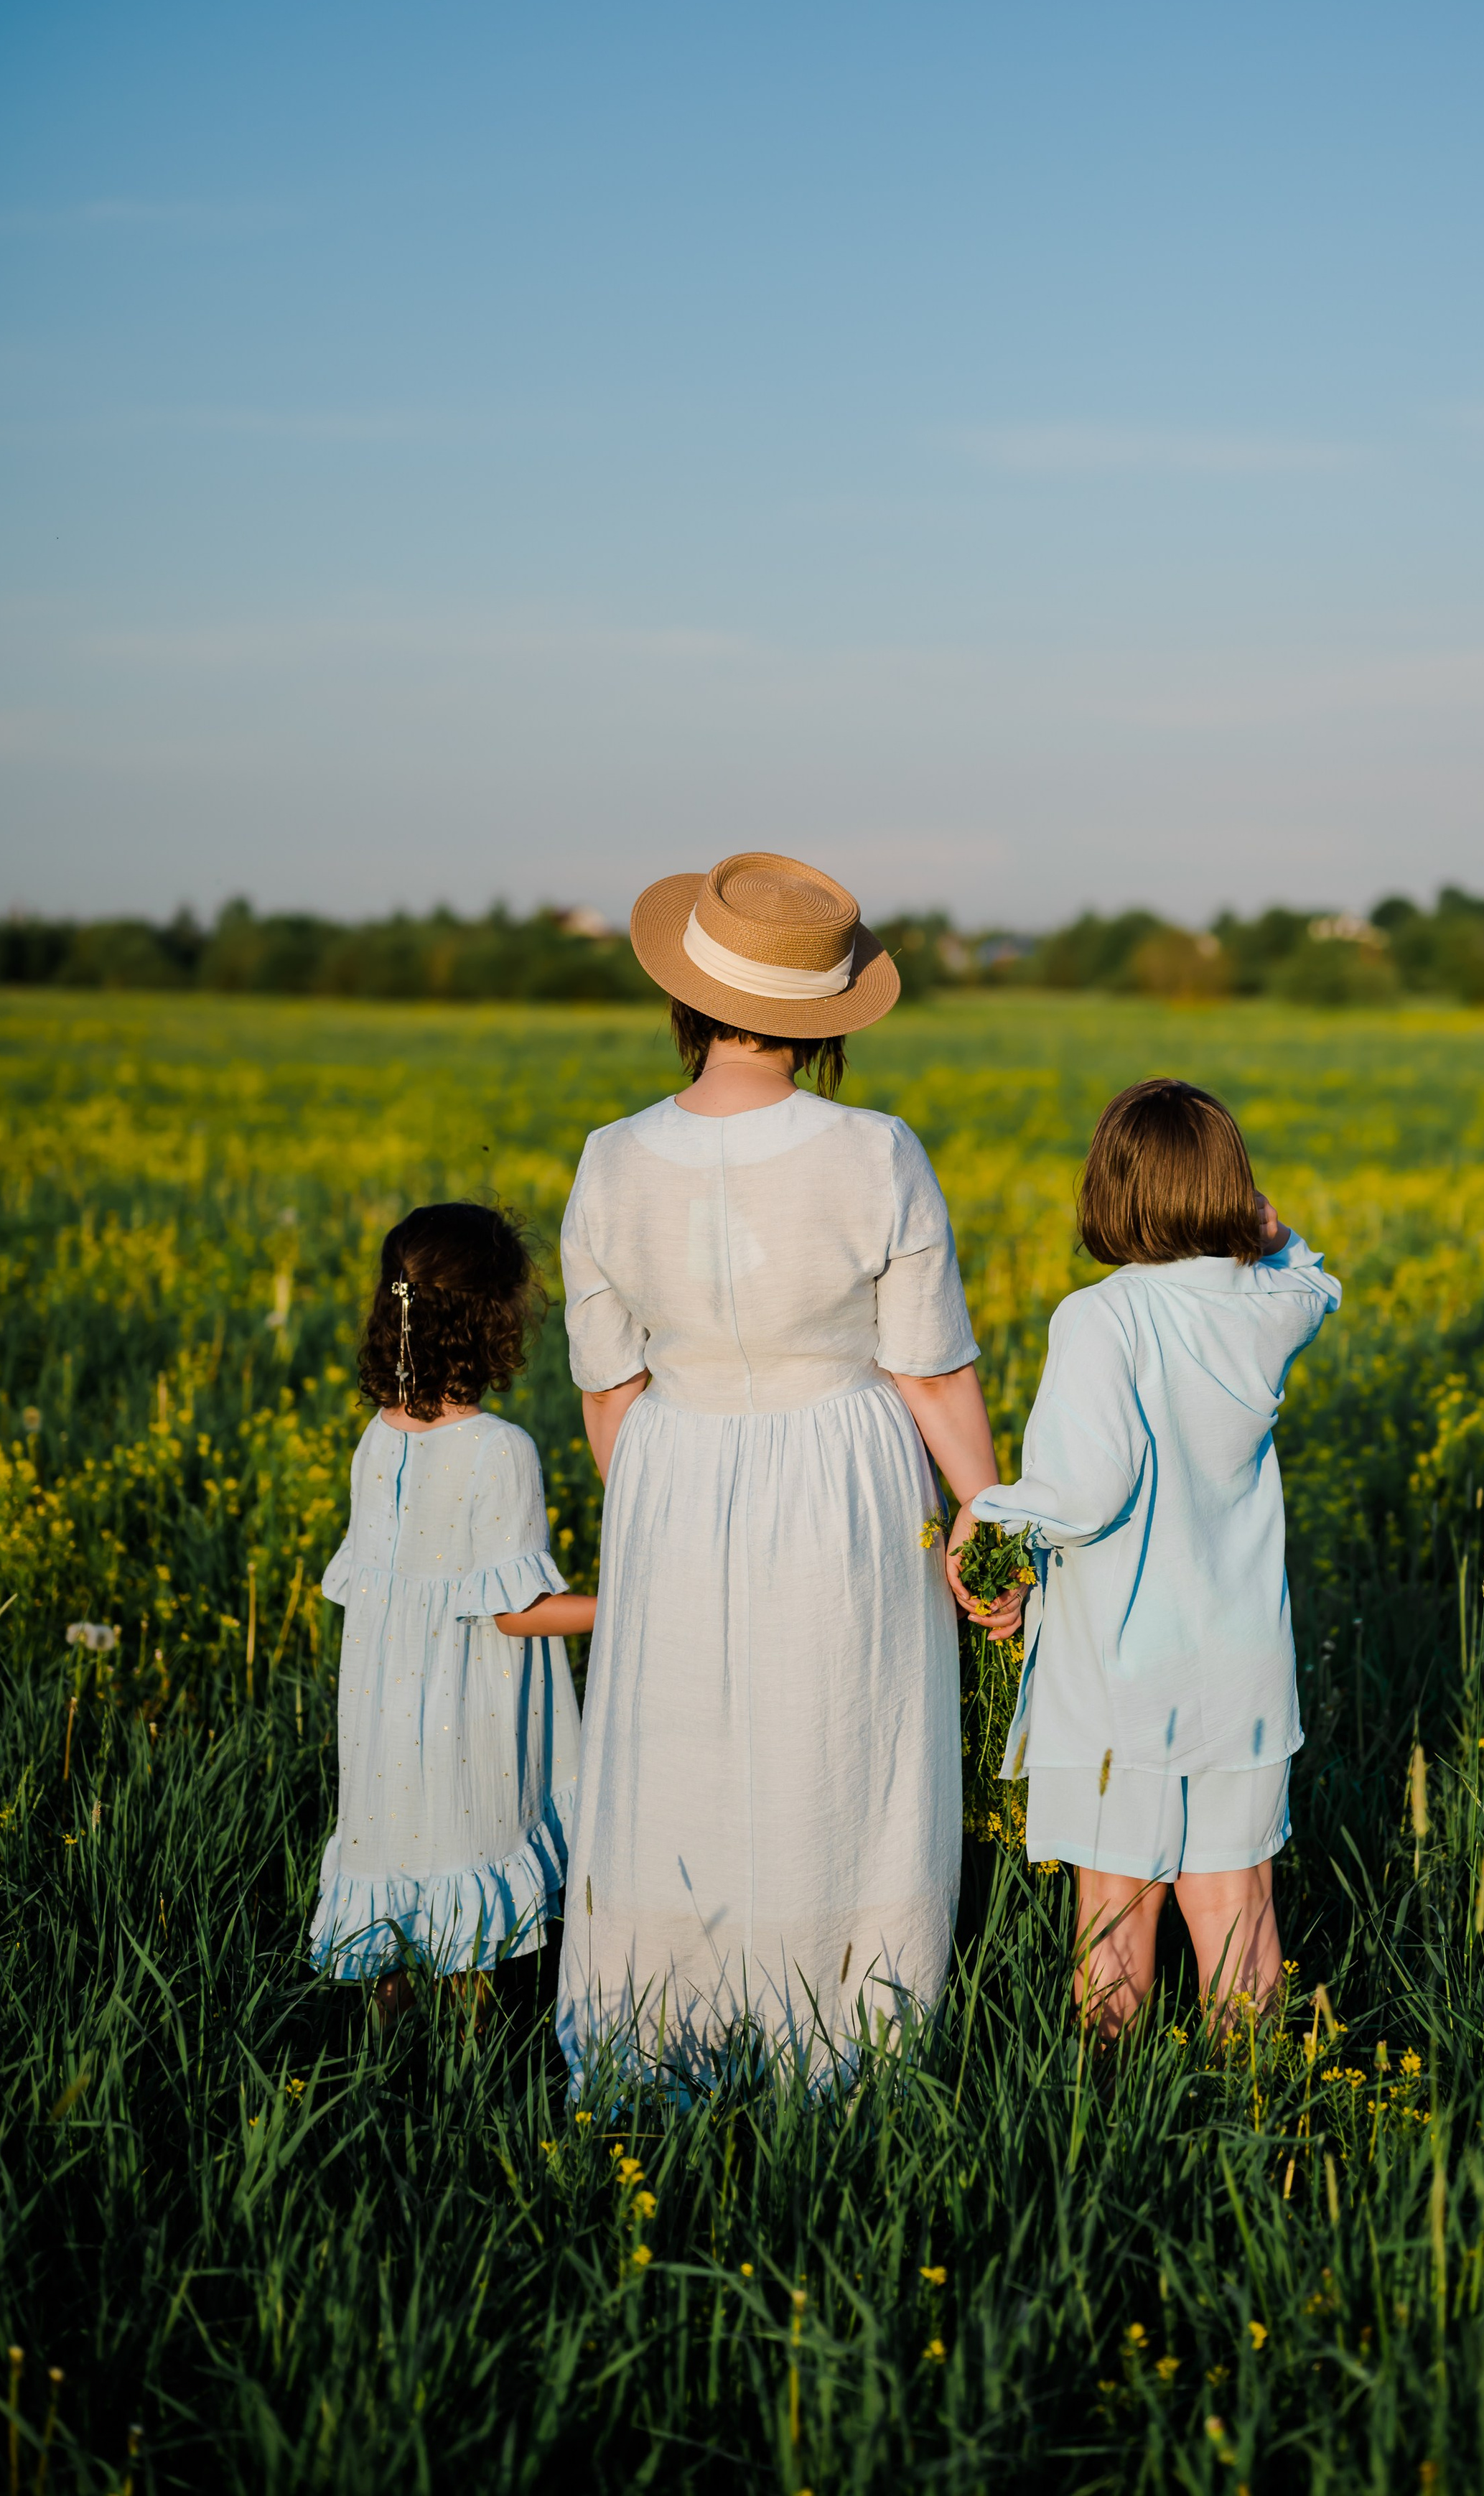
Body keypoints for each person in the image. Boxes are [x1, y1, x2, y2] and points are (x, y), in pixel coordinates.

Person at [555, 849, 996, 2085]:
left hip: (671, 1462)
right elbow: (931, 1369)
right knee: (845, 1739)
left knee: (678, 1746)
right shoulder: (876, 1150)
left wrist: (647, 1503)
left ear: (686, 998)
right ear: (820, 1020)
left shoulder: (610, 1155)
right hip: (847, 1467)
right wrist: (987, 1518)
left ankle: (659, 2032)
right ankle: (842, 2039)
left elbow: (607, 1384)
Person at [959, 1080, 1340, 2038]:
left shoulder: (1105, 1317)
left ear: (1111, 1191)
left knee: (1117, 1909)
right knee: (1238, 1902)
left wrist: (988, 1515)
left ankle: (1108, 2108)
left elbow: (1083, 1496)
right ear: (1232, 1187)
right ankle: (1259, 2110)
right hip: (1245, 1666)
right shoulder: (1269, 1305)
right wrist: (1267, 1229)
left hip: (1125, 1671)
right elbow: (1314, 1279)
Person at [308, 1203, 594, 2008]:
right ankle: (466, 2069)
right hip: (465, 1713)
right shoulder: (499, 1449)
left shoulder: (378, 1436)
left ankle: (386, 2057)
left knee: (397, 1863)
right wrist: (625, 1602)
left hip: (380, 1716)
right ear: (496, 1320)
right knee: (466, 1857)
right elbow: (514, 1612)